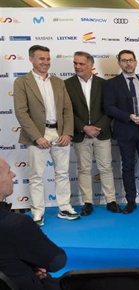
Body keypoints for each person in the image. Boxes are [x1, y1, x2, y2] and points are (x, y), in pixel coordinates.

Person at [13, 45, 77, 226]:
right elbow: (21, 112)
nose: (46, 62)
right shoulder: (22, 82)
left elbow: (67, 109)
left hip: (59, 134)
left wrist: (67, 132)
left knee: (63, 173)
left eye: (48, 59)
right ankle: (37, 213)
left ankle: (64, 208)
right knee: (36, 176)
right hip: (37, 136)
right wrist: (36, 137)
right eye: (42, 59)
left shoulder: (58, 82)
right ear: (31, 59)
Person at [103, 49, 139, 214]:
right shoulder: (111, 84)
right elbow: (108, 107)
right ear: (119, 63)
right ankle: (130, 201)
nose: (128, 63)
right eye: (124, 60)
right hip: (125, 131)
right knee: (127, 167)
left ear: (135, 62)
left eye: (131, 60)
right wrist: (128, 116)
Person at [65, 51, 119, 216]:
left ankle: (111, 200)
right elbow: (67, 111)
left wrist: (98, 127)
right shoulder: (66, 84)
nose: (77, 67)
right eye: (75, 63)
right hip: (81, 134)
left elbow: (109, 109)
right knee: (83, 169)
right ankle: (87, 202)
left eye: (81, 64)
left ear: (91, 65)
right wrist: (84, 128)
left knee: (106, 168)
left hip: (102, 134)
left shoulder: (104, 84)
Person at [0, 158, 66, 290]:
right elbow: (56, 261)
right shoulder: (17, 224)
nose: (13, 175)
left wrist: (25, 267)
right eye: (8, 172)